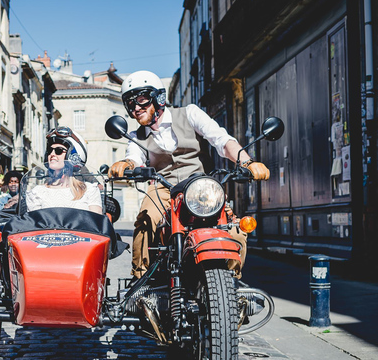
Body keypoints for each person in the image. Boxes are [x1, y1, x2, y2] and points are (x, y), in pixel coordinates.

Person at [109, 70, 270, 279]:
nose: (136, 108)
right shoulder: (136, 136)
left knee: (232, 227)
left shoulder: (189, 113)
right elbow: (135, 156)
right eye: (130, 104)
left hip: (200, 185)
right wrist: (127, 163)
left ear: (158, 97)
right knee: (146, 220)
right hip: (162, 187)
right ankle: (142, 280)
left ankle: (231, 286)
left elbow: (221, 139)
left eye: (141, 100)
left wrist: (248, 162)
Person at [26, 127, 103, 214]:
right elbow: (34, 224)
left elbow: (96, 223)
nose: (52, 154)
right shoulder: (37, 192)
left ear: (73, 155)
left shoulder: (89, 190)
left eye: (58, 151)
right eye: (50, 150)